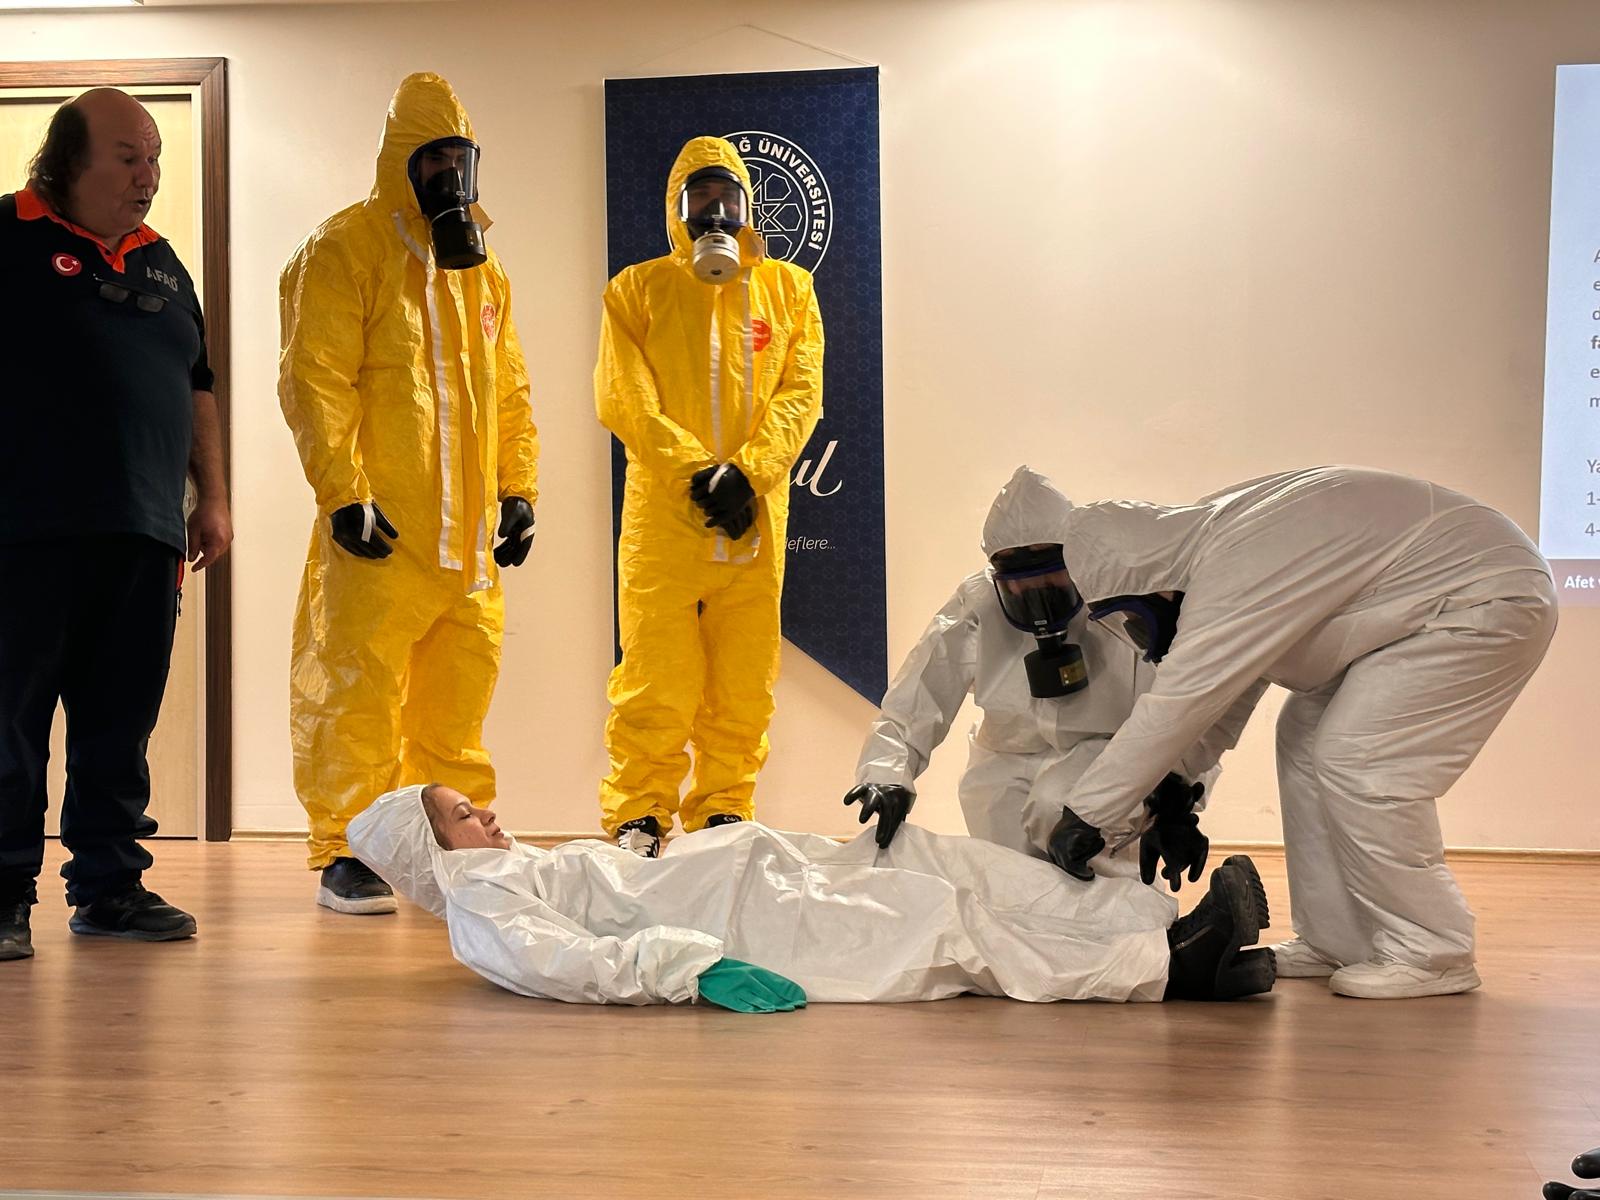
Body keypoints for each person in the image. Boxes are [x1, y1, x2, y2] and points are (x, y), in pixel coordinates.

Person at [1016, 465, 1556, 999]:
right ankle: (1335, 941)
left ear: (1148, 581)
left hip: (1486, 596)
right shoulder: (1211, 543)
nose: (1138, 631)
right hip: (1427, 601)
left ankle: (1434, 950)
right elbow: (1227, 690)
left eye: (1134, 616)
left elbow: (1184, 700)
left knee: (1362, 759)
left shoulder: (1235, 565)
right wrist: (1173, 793)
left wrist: (1086, 815)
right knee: (1301, 739)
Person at [279, 73, 539, 915]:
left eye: (460, 161)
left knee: (457, 700)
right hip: (382, 530)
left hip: (466, 541)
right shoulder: (343, 250)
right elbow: (315, 380)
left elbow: (508, 389)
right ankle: (347, 848)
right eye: (432, 161)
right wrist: (342, 493)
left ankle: (455, 850)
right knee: (356, 689)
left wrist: (518, 488)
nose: (449, 178)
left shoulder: (482, 272)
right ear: (401, 162)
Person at [347, 783, 1277, 1006]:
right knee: (936, 924)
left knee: (935, 860)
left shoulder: (507, 868)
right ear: (433, 849)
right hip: (747, 917)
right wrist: (687, 970)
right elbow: (568, 962)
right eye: (463, 815)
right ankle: (1170, 969)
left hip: (760, 872)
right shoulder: (480, 905)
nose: (488, 814)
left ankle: (1152, 920)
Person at [0, 89, 232, 960]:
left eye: (155, 157)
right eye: (129, 157)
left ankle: (108, 888)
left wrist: (213, 498)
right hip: (23, 531)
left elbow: (196, 386)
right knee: (8, 723)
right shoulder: (6, 233)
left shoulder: (162, 263)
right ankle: (2, 893)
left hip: (143, 531)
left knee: (118, 727)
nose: (148, 175)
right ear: (69, 160)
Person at [846, 468, 1246, 887]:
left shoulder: (1117, 597)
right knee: (1009, 881)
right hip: (1003, 758)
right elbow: (919, 694)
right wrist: (887, 773)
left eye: (1049, 573)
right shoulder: (978, 603)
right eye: (1020, 582)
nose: (1036, 592)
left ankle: (1148, 925)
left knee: (1064, 820)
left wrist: (1177, 794)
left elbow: (1186, 702)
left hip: (1105, 751)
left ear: (1074, 559)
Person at [595, 136, 825, 859]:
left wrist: (751, 473)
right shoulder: (637, 290)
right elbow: (623, 398)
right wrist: (698, 473)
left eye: (728, 198)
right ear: (678, 209)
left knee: (743, 682)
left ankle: (725, 809)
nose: (715, 213)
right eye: (701, 199)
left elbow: (801, 394)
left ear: (748, 207)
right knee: (654, 679)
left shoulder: (790, 290)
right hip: (664, 523)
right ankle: (640, 814)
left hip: (753, 522)